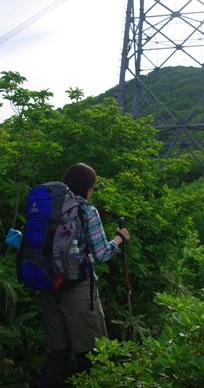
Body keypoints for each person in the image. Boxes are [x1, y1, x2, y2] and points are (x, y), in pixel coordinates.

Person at [37, 163, 130, 388]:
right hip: (77, 288)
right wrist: (119, 239)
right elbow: (100, 253)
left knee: (59, 352)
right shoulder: (87, 209)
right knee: (90, 352)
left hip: (50, 284)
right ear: (87, 187)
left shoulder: (50, 207)